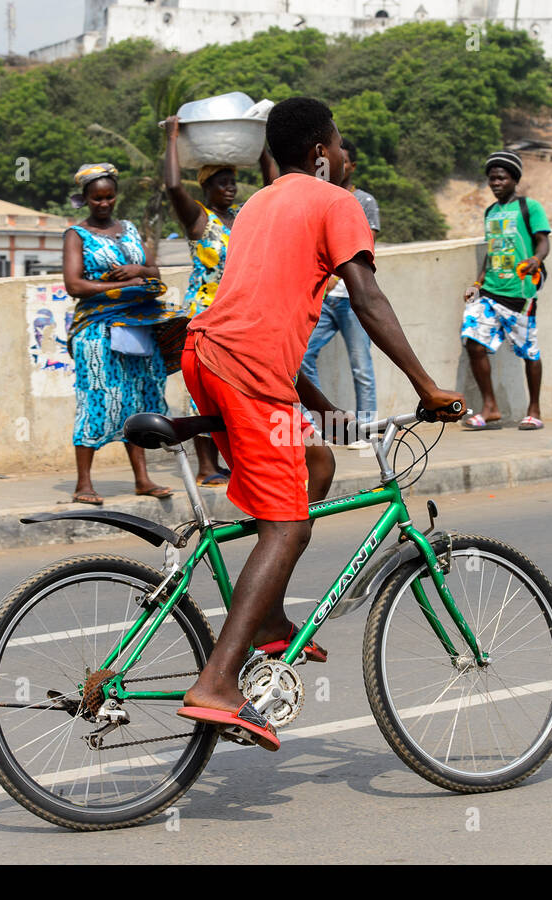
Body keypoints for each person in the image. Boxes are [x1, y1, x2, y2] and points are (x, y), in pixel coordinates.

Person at [177, 97, 464, 750]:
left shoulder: (257, 204)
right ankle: (218, 681)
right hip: (247, 372)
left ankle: (269, 617)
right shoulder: (337, 201)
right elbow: (365, 295)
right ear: (317, 155)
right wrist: (428, 387)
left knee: (318, 461)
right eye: (340, 147)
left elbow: (261, 308)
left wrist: (320, 408)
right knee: (289, 525)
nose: (345, 158)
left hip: (209, 355)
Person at [162, 118, 276, 484]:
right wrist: (172, 137)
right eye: (222, 182)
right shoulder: (200, 219)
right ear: (207, 186)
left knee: (235, 390)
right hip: (206, 317)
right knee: (204, 392)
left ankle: (234, 460)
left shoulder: (243, 218)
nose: (230, 188)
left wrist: (261, 145)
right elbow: (172, 185)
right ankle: (206, 467)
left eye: (232, 181)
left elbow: (274, 188)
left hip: (240, 318)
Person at [61, 162, 176, 503]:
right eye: (96, 198)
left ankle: (142, 478)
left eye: (109, 197)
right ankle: (84, 484)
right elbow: (74, 283)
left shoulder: (128, 229)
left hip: (138, 327)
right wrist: (125, 287)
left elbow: (153, 270)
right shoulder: (75, 235)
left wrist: (136, 270)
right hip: (98, 330)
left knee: (137, 401)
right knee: (96, 399)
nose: (104, 204)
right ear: (85, 199)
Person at [300, 137, 382, 441]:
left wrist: (333, 277)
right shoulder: (317, 199)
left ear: (352, 166)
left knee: (361, 365)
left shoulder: (364, 201)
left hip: (350, 298)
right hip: (322, 299)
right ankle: (317, 425)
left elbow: (364, 248)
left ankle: (367, 430)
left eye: (344, 160)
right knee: (303, 356)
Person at [461, 150, 549, 431]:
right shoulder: (490, 212)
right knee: (473, 342)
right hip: (490, 291)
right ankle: (490, 407)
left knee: (529, 352)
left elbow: (543, 242)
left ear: (514, 179)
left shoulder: (529, 207)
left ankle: (534, 409)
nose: (496, 182)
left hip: (520, 293)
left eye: (502, 178)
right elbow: (492, 252)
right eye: (492, 178)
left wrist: (536, 260)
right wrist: (477, 283)